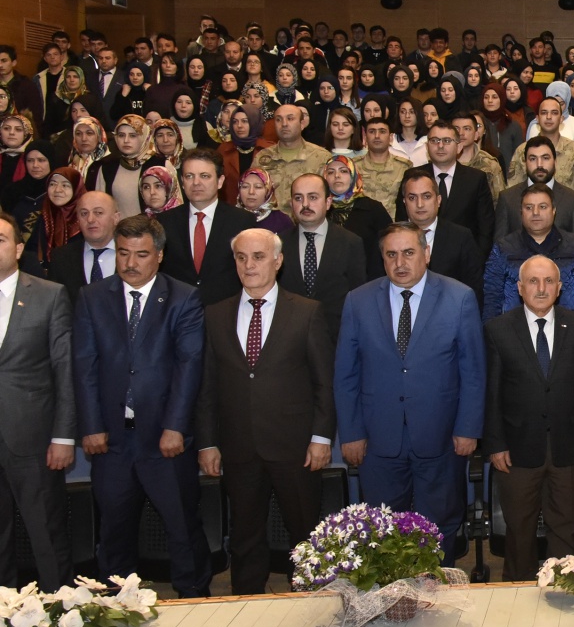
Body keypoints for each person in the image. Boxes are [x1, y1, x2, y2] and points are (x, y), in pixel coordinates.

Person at [73, 215, 212, 597]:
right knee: (113, 531)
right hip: (112, 442)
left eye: (141, 254)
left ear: (159, 256)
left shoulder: (183, 297)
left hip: (163, 439)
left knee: (182, 527)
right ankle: (115, 609)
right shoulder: (92, 297)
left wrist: (175, 427)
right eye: (123, 253)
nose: (130, 263)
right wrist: (91, 425)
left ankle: (194, 602)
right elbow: (83, 365)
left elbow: (189, 366)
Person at [196, 229, 335, 595]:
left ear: (278, 260)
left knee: (304, 532)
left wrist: (321, 437)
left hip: (295, 447)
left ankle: (310, 600)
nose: (249, 265)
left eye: (258, 257)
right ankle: (246, 603)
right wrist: (207, 442)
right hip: (238, 446)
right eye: (241, 257)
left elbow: (324, 382)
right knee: (244, 535)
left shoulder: (306, 312)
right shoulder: (215, 314)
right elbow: (207, 386)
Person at [335, 223, 485, 564]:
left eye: (408, 253)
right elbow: (346, 373)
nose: (400, 262)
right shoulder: (358, 301)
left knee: (441, 525)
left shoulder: (459, 297)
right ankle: (392, 603)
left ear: (426, 254)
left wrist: (467, 429)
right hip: (378, 439)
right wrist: (352, 432)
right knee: (382, 529)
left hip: (441, 437)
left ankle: (438, 595)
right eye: (391, 255)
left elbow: (473, 372)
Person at [482, 253, 574, 581]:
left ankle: (566, 590)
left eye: (549, 280)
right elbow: (491, 393)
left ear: (560, 287)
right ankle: (518, 596)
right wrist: (495, 444)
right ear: (519, 288)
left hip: (569, 448)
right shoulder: (497, 329)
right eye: (533, 281)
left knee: (567, 525)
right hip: (517, 450)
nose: (540, 288)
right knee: (519, 529)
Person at [0, 212, 76, 591]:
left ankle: (61, 611)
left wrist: (64, 436)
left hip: (32, 437)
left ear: (17, 248)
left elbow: (64, 370)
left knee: (45, 533)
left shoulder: (48, 294)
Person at [484, 182, 574, 337]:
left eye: (543, 207)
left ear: (554, 211)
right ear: (521, 212)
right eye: (529, 207)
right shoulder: (504, 248)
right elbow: (491, 301)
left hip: (569, 337)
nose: (535, 212)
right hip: (515, 338)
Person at [157, 149, 259, 307]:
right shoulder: (164, 221)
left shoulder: (242, 221)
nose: (196, 182)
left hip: (226, 314)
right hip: (177, 313)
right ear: (182, 182)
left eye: (204, 176)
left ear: (220, 181)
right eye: (189, 176)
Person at [277, 173, 368, 344]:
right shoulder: (278, 244)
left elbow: (358, 296)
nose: (305, 204)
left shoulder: (350, 242)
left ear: (328, 202)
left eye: (313, 197)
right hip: (290, 341)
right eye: (298, 198)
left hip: (337, 338)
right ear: (291, 204)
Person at [399, 169, 485, 309]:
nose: (420, 204)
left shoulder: (460, 237)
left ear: (438, 200)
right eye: (412, 198)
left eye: (426, 196)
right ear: (404, 202)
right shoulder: (391, 238)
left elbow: (473, 289)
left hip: (449, 317)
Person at [411, 120, 495, 254]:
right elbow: (403, 220)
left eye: (447, 141)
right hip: (420, 254)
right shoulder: (413, 177)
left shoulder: (476, 179)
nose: (440, 146)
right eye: (434, 141)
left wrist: (477, 259)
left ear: (459, 147)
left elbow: (486, 227)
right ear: (427, 146)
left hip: (464, 257)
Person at [251, 103, 334, 215]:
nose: (284, 124)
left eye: (290, 119)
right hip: (269, 226)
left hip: (306, 225)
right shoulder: (262, 157)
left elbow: (329, 199)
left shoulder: (322, 157)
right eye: (279, 120)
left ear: (302, 124)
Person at [47, 190, 119, 300]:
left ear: (116, 218)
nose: (90, 219)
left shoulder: (131, 254)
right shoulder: (61, 257)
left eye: (98, 213)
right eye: (84, 213)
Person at [352, 115, 412, 218]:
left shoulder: (404, 167)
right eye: (371, 131)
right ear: (365, 137)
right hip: (361, 227)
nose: (377, 136)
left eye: (382, 131)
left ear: (390, 137)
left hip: (393, 227)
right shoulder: (353, 166)